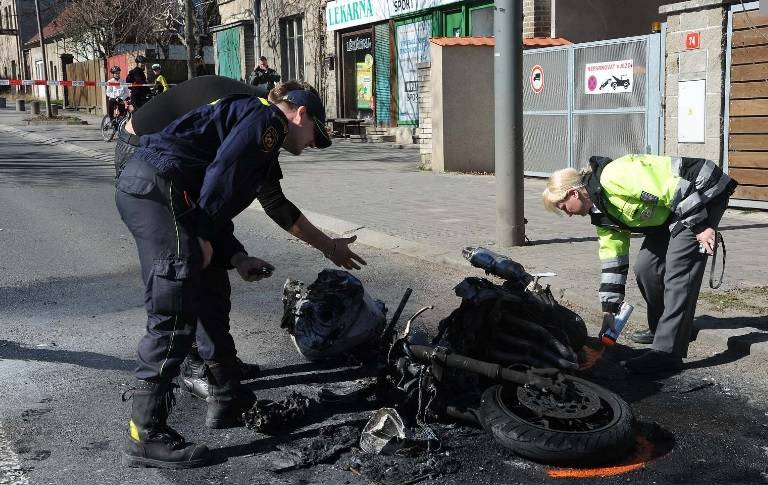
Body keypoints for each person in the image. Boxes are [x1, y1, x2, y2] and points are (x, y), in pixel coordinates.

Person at [116, 79, 366, 469]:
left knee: (212, 285)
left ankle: (226, 397)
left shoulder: (261, 136)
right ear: (300, 114)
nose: (312, 145)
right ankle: (145, 433)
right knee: (174, 306)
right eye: (315, 133)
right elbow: (221, 175)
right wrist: (198, 234)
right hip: (159, 187)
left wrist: (235, 256)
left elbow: (236, 195)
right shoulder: (266, 122)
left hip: (171, 191)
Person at [113, 75, 267, 401]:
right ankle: (191, 369)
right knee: (178, 278)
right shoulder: (256, 114)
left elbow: (216, 194)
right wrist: (200, 234)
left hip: (167, 163)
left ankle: (222, 374)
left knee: (207, 272)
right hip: (145, 155)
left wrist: (235, 255)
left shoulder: (241, 108)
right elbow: (223, 183)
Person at [542, 155, 737, 375]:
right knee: (646, 269)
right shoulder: (601, 214)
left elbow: (675, 187)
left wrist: (701, 226)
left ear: (573, 193)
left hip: (700, 191)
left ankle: (667, 354)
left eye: (563, 206)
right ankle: (667, 329)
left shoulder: (614, 177)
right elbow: (612, 262)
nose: (567, 214)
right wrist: (609, 311)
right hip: (671, 210)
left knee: (679, 270)